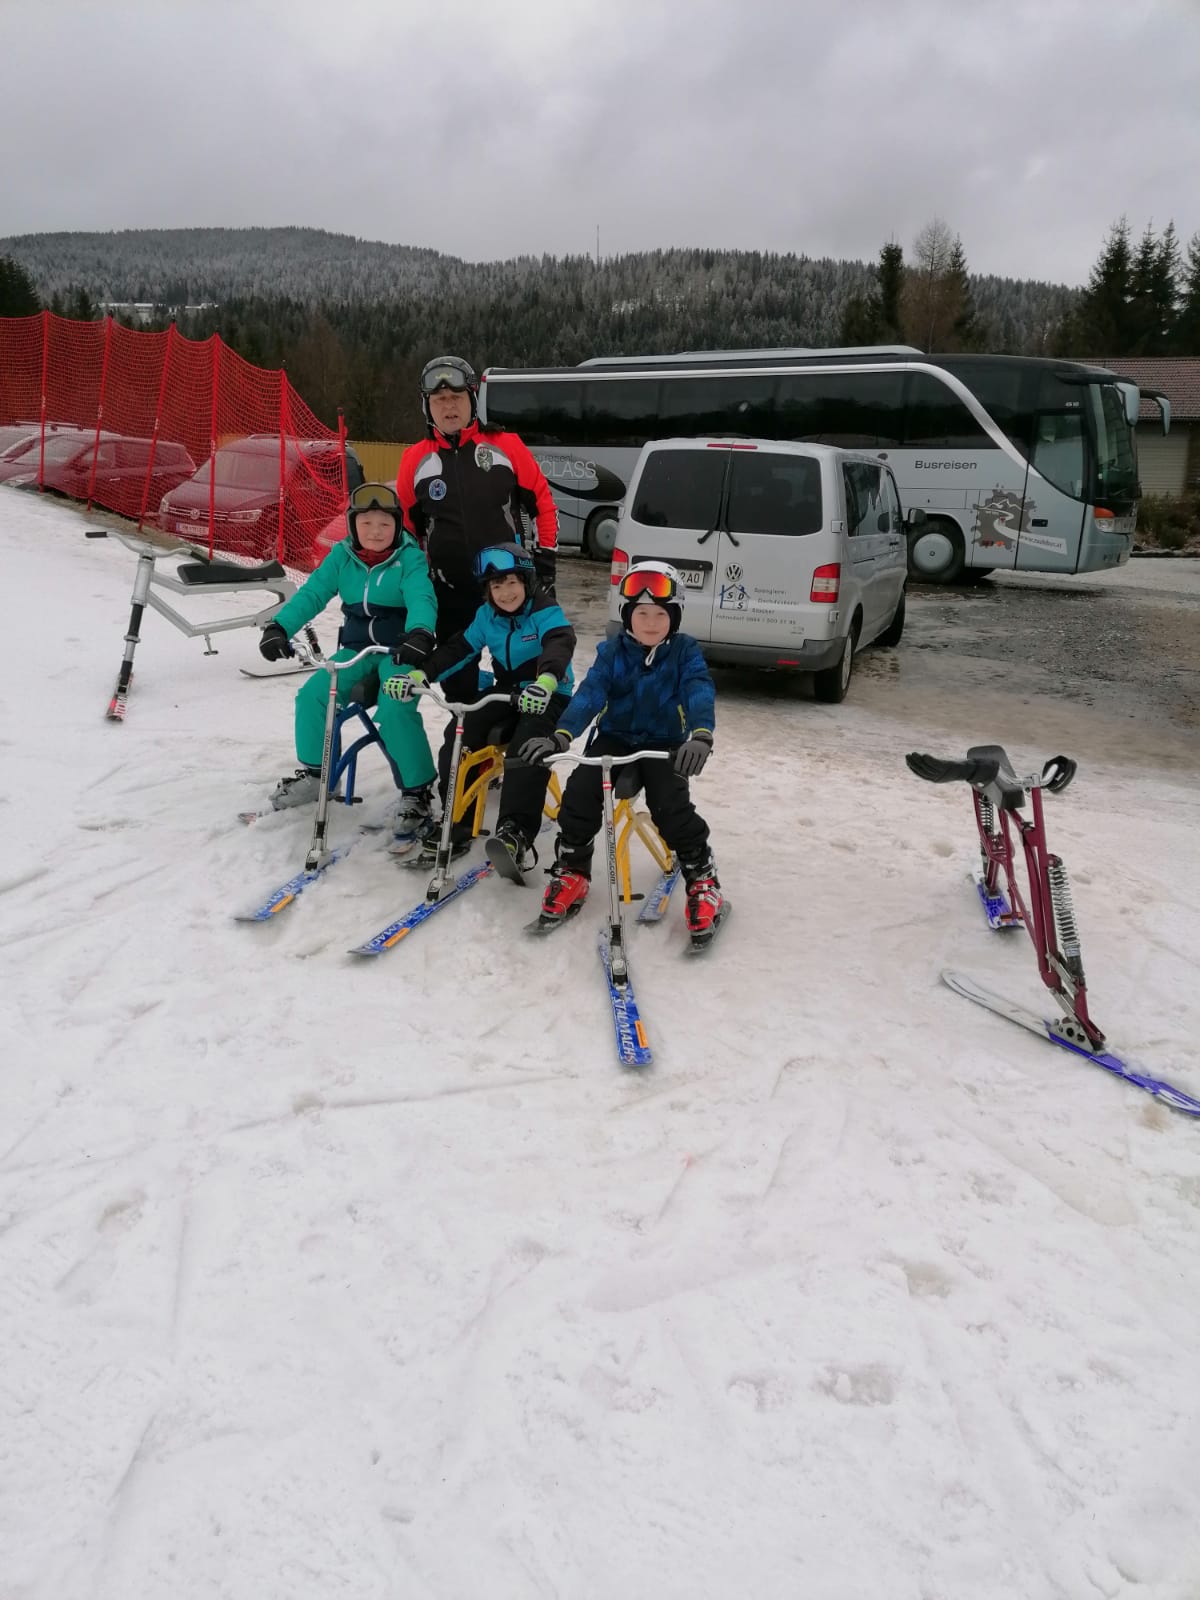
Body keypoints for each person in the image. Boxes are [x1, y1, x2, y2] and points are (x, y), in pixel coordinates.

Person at [518, 561, 724, 938]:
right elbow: (590, 694)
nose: (650, 623)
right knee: (580, 792)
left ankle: (702, 876)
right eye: (641, 613)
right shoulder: (613, 652)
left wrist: (700, 735)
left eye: (660, 614)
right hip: (616, 738)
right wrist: (561, 735)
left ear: (674, 617)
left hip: (664, 742)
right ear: (628, 616)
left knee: (670, 805)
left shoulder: (684, 652)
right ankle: (573, 869)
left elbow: (698, 689)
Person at [396, 356, 560, 818]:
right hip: (450, 592)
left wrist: (546, 562)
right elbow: (407, 530)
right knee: (460, 689)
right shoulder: (415, 459)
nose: (449, 407)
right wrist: (414, 582)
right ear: (427, 407)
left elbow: (542, 503)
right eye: (439, 400)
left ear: (472, 401)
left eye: (456, 398)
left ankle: (520, 760)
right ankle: (469, 762)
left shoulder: (505, 445)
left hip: (511, 592)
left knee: (524, 680)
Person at [258, 482, 439, 833]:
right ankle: (318, 776)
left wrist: (420, 633)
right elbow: (313, 593)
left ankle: (416, 791)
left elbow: (421, 597)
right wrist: (279, 627)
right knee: (313, 695)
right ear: (354, 525)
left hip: (400, 651)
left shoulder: (410, 558)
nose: (376, 532)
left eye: (385, 524)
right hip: (356, 650)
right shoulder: (342, 556)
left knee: (395, 704)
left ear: (397, 527)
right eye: (366, 523)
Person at [383, 542, 575, 871]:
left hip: (548, 693)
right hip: (506, 692)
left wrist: (545, 681)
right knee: (460, 733)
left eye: (511, 582)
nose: (505, 593)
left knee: (526, 747)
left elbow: (560, 642)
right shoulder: (487, 616)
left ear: (527, 582)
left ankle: (514, 832)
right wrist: (421, 673)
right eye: (496, 586)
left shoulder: (545, 611)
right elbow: (459, 649)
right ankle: (457, 820)